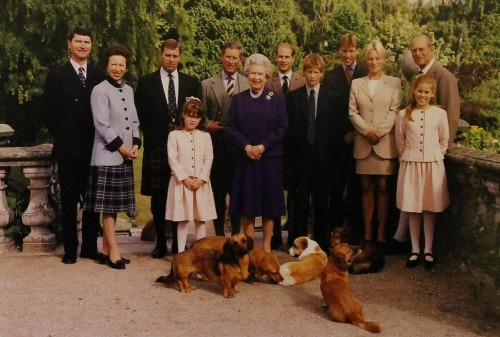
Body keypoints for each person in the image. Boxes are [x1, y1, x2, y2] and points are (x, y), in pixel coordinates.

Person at [388, 34, 460, 253]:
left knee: (428, 205)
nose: (417, 53)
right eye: (414, 50)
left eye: (421, 49)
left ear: (431, 49)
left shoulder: (443, 76)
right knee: (411, 203)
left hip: (431, 157)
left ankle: (424, 249)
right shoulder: (416, 77)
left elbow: (451, 117)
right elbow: (403, 129)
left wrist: (440, 152)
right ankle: (409, 245)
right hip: (412, 156)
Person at [42, 27, 103, 264]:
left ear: (91, 45)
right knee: (68, 200)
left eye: (87, 42)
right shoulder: (57, 75)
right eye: (78, 41)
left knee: (92, 201)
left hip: (94, 149)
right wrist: (65, 136)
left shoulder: (98, 75)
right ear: (70, 44)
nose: (83, 46)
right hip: (68, 149)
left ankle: (89, 247)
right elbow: (49, 113)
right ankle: (70, 249)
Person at [136, 39, 201, 258]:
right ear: (160, 55)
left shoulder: (192, 83)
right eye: (167, 55)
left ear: (180, 57)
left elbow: (196, 115)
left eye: (175, 56)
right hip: (157, 147)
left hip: (183, 148)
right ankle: (161, 242)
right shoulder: (146, 83)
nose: (171, 59)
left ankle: (177, 242)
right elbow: (141, 117)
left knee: (179, 195)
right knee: (159, 195)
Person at [83, 44, 141, 269]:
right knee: (108, 207)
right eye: (113, 64)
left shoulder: (129, 90)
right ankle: (115, 251)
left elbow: (135, 121)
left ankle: (106, 249)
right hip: (107, 155)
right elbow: (102, 125)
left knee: (115, 206)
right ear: (107, 66)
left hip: (126, 155)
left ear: (126, 67)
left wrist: (135, 144)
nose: (117, 68)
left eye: (121, 65)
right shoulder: (99, 90)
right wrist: (121, 148)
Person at [226, 54, 287, 253]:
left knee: (269, 205)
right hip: (246, 160)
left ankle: (267, 247)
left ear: (267, 75)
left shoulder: (276, 99)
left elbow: (282, 126)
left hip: (269, 159)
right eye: (253, 73)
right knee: (248, 205)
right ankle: (249, 247)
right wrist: (247, 147)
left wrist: (262, 147)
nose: (256, 77)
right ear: (247, 74)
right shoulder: (238, 100)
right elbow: (231, 127)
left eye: (260, 73)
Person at [349, 40, 402, 246]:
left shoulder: (394, 83)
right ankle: (368, 231)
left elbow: (394, 110)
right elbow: (352, 111)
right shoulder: (357, 83)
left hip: (384, 142)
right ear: (366, 60)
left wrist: (378, 132)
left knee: (382, 186)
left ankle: (382, 232)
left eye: (377, 58)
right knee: (365, 187)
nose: (373, 62)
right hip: (363, 142)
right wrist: (366, 131)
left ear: (384, 59)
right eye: (370, 58)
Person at [285, 53, 339, 252]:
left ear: (322, 73)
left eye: (316, 72)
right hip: (301, 158)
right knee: (300, 201)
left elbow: (335, 130)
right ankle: (298, 241)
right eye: (309, 72)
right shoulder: (293, 97)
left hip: (323, 158)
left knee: (322, 201)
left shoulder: (331, 97)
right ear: (303, 73)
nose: (312, 76)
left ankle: (321, 242)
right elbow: (289, 131)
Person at [395, 75, 450, 269]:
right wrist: (409, 156)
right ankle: (415, 250)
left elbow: (444, 139)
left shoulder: (439, 114)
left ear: (432, 94)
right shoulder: (404, 114)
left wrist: (434, 155)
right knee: (412, 208)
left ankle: (428, 250)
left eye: (427, 92)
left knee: (428, 208)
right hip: (411, 165)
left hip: (431, 166)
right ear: (414, 91)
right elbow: (400, 141)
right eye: (420, 91)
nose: (423, 95)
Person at [323, 33, 368, 240]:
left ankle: (357, 234)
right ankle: (334, 233)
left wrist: (357, 132)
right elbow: (329, 111)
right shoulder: (331, 76)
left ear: (357, 51)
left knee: (358, 190)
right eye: (344, 51)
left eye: (351, 51)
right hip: (338, 142)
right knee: (335, 190)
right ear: (339, 51)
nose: (347, 55)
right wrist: (342, 134)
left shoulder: (366, 72)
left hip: (362, 139)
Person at [202, 41, 249, 237]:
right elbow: (200, 114)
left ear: (240, 60)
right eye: (227, 57)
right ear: (222, 57)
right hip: (216, 145)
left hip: (239, 146)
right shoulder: (206, 84)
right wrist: (207, 124)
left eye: (235, 58)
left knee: (237, 192)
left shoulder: (247, 83)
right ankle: (220, 235)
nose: (231, 61)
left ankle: (237, 234)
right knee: (219, 194)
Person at [266, 43, 306, 249]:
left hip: (296, 145)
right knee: (274, 188)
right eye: (280, 57)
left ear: (293, 58)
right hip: (274, 143)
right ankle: (273, 235)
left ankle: (293, 233)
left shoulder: (302, 80)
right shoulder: (268, 82)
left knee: (295, 191)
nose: (283, 60)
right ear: (276, 58)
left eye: (287, 57)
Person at [165, 98, 217, 253]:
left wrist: (201, 178)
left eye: (196, 116)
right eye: (190, 115)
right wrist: (184, 178)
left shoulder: (205, 136)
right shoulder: (174, 135)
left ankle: (200, 253)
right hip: (182, 184)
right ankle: (181, 253)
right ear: (183, 115)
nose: (192, 119)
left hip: (201, 183)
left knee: (201, 219)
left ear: (200, 118)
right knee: (182, 219)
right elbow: (172, 159)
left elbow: (209, 158)